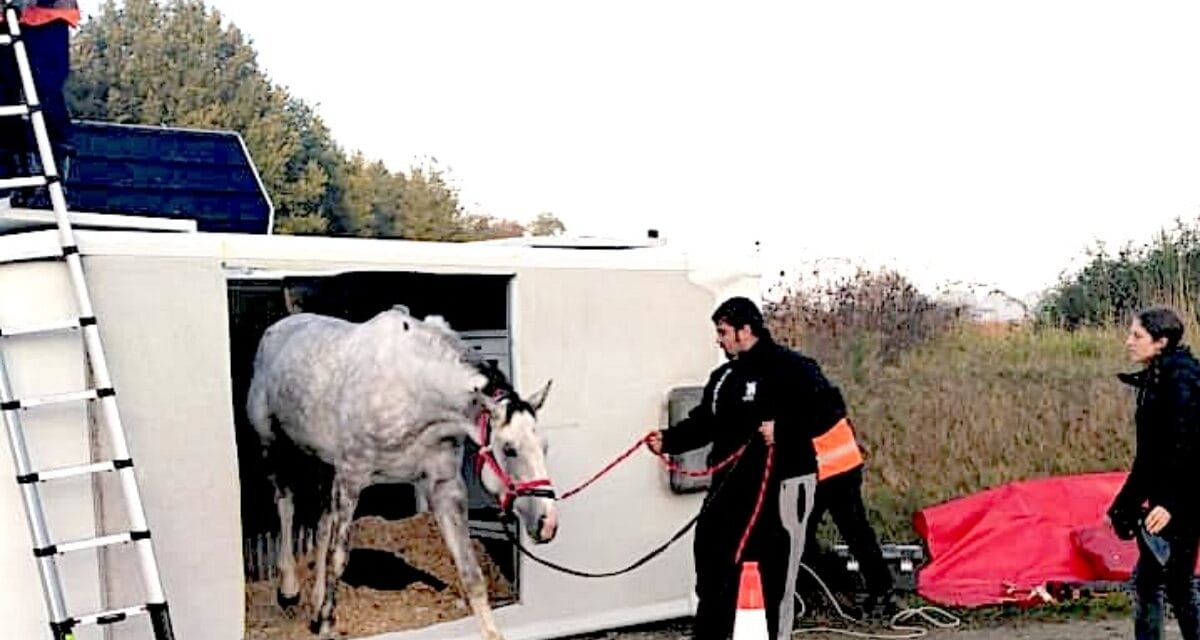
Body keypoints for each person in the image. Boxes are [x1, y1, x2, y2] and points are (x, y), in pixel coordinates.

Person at [645, 296, 830, 640]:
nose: (719, 340)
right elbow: (705, 423)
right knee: (711, 558)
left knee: (772, 573)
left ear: (745, 331)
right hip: (727, 487)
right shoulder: (723, 377)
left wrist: (785, 431)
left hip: (780, 487)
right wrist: (669, 440)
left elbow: (829, 410)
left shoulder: (793, 368)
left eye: (723, 332)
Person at [1107, 305, 1200, 640]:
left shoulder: (1182, 383)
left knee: (1163, 584)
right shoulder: (1158, 380)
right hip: (1170, 501)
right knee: (1170, 583)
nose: (1128, 341)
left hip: (1185, 500)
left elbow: (1191, 451)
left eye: (1137, 335)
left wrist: (1172, 504)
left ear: (1161, 342)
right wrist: (1125, 504)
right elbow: (1149, 457)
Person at [0, 0, 80, 208]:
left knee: (46, 95)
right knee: (4, 102)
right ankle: (17, 179)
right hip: (4, 18)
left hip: (47, 16)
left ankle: (52, 182)